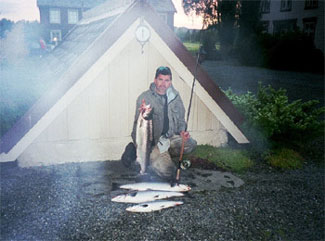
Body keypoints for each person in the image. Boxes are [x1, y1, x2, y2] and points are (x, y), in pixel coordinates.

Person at [121, 66, 197, 180]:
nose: (163, 84)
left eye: (167, 80)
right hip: (152, 143)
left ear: (170, 82)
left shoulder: (175, 97)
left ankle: (162, 155)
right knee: (167, 171)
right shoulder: (145, 98)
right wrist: (143, 112)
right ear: (155, 80)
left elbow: (181, 119)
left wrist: (182, 131)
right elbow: (137, 129)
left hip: (169, 138)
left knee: (190, 143)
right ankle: (139, 154)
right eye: (160, 79)